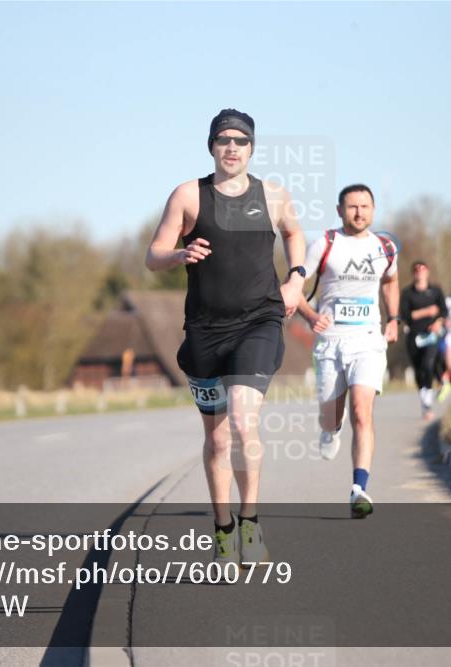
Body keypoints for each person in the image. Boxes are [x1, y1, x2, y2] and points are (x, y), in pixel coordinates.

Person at [146, 109, 306, 567]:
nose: (231, 147)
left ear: (252, 147)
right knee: (217, 440)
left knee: (242, 419)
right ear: (212, 146)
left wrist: (296, 278)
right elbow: (152, 255)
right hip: (204, 330)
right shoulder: (188, 196)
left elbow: (295, 233)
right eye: (223, 140)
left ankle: (250, 522)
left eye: (240, 140)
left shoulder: (272, 196)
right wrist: (179, 253)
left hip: (259, 321)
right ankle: (222, 528)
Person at [297, 184, 399, 518]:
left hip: (368, 340)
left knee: (362, 411)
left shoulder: (385, 247)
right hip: (331, 342)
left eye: (365, 206)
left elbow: (390, 281)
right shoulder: (325, 244)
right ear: (340, 210)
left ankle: (359, 488)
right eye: (352, 206)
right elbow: (293, 287)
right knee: (331, 417)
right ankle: (331, 429)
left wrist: (394, 318)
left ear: (374, 209)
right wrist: (311, 316)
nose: (359, 212)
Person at [399, 261, 447, 421]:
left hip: (431, 335)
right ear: (413, 273)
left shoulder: (436, 291)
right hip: (414, 336)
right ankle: (426, 404)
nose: (419, 272)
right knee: (419, 371)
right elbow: (405, 316)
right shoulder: (407, 293)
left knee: (428, 364)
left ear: (427, 272)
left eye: (422, 269)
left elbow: (444, 311)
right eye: (416, 270)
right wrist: (426, 311)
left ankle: (436, 389)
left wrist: (438, 322)